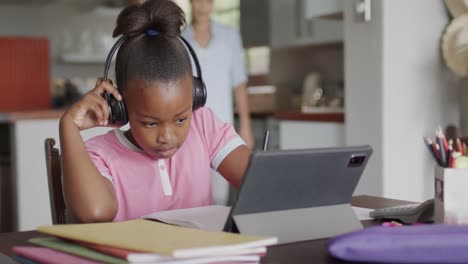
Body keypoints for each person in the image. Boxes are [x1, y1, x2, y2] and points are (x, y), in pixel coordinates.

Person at [59, 0, 251, 223]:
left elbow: (259, 183)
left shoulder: (203, 126)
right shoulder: (99, 154)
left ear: (195, 96)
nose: (167, 137)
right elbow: (95, 213)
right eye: (150, 123)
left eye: (181, 119)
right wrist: (69, 126)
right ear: (119, 105)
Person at [182, 0, 253, 205]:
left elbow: (239, 83)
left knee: (220, 197)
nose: (203, 4)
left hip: (222, 128)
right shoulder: (179, 37)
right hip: (188, 127)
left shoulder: (230, 36)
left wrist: (246, 126)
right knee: (192, 195)